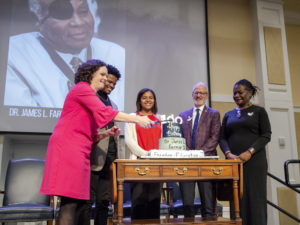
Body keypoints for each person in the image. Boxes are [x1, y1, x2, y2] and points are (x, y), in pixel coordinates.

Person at [39, 60, 153, 225]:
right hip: (68, 149)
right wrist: (135, 119)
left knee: (78, 203)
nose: (105, 79)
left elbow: (89, 133)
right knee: (70, 203)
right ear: (90, 73)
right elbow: (104, 112)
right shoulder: (82, 89)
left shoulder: (89, 95)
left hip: (81, 150)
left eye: (106, 75)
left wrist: (105, 133)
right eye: (102, 74)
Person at [4, 0, 125, 109]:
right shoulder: (14, 54)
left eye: (83, 11)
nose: (77, 22)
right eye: (62, 14)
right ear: (37, 19)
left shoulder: (115, 53)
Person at [219, 79, 271, 225]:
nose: (236, 95)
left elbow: (266, 135)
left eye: (240, 92)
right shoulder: (229, 114)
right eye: (234, 93)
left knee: (255, 199)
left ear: (249, 93)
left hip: (254, 163)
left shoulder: (259, 112)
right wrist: (228, 154)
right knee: (236, 202)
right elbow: (222, 138)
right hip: (234, 164)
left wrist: (249, 152)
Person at [76, 64, 122, 225]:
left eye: (114, 83)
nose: (111, 85)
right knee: (87, 201)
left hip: (109, 159)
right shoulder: (90, 98)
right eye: (109, 81)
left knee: (104, 201)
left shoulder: (113, 104)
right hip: (91, 156)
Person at [179, 82, 220, 218]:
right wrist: (189, 153)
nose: (199, 95)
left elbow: (214, 138)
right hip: (187, 163)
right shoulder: (183, 115)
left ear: (206, 95)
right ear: (192, 95)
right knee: (187, 205)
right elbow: (179, 138)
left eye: (202, 92)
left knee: (208, 206)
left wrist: (199, 153)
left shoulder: (214, 114)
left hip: (206, 162)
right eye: (196, 92)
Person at [124, 88, 162, 220]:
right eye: (144, 97)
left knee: (154, 203)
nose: (148, 100)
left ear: (154, 101)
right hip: (138, 163)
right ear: (139, 100)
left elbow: (162, 142)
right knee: (138, 204)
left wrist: (155, 157)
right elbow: (129, 141)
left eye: (151, 97)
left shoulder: (159, 119)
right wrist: (146, 154)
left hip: (157, 166)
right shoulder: (132, 118)